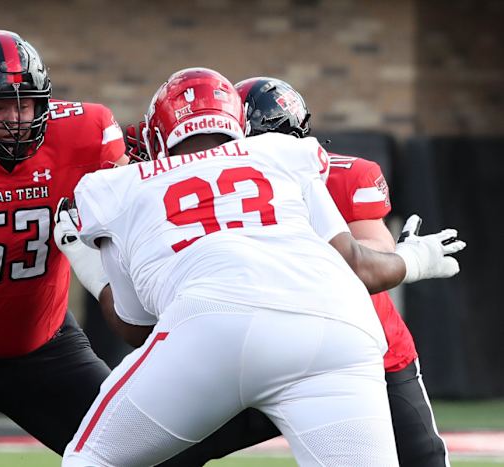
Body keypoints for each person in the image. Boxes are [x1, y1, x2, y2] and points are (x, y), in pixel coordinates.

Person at [0, 31, 239, 467]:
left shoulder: (86, 134)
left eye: (25, 103)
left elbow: (144, 213)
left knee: (144, 452)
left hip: (41, 341)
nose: (15, 118)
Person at [59, 67, 465, 466]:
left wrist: (88, 266)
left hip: (213, 326)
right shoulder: (287, 153)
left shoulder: (117, 188)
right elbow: (357, 263)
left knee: (90, 458)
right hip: (338, 329)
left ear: (156, 134)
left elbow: (136, 327)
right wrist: (414, 259)